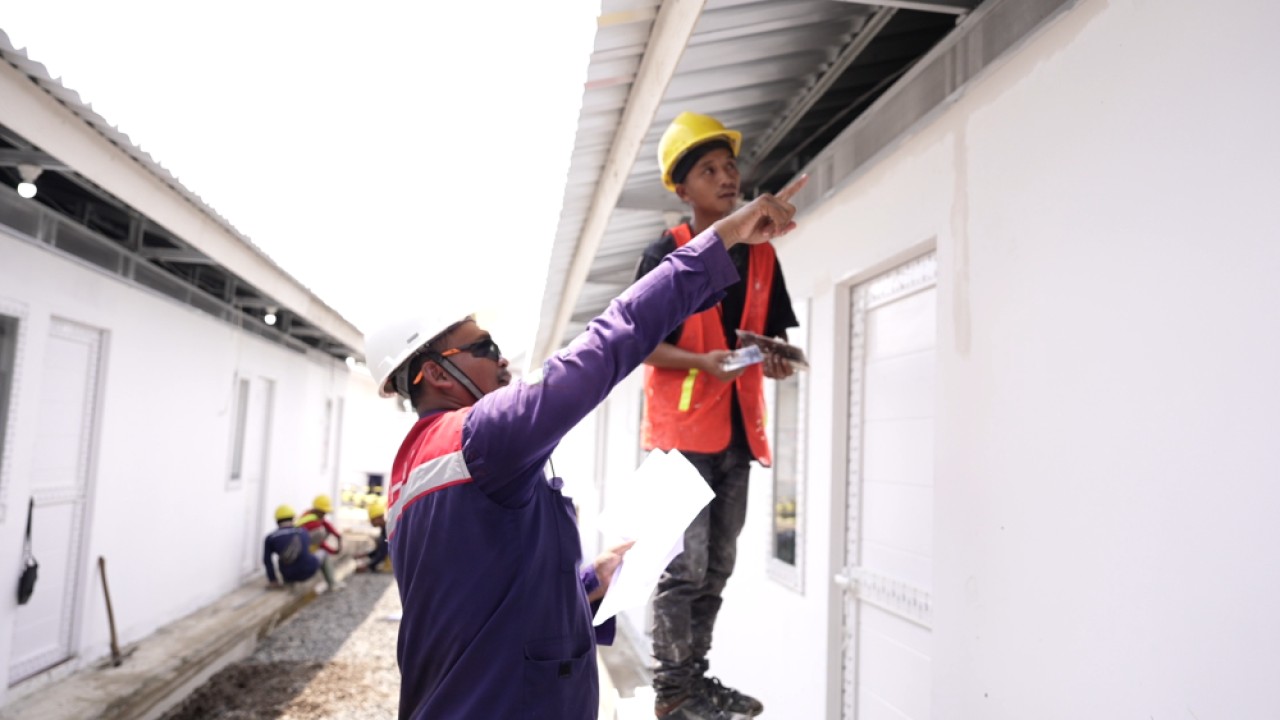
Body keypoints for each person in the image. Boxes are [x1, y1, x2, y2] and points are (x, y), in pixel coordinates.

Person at [364, 178, 804, 720]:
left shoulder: (413, 469)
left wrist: (589, 580)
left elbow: (487, 605)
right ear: (435, 372)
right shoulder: (479, 437)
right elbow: (612, 339)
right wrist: (725, 236)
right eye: (486, 347)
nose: (505, 361)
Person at [634, 112, 801, 720]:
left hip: (737, 433)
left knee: (717, 568)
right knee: (684, 568)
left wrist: (777, 361)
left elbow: (768, 337)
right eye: (709, 170)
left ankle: (695, 684)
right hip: (679, 438)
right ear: (683, 188)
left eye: (730, 166)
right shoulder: (665, 253)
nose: (727, 176)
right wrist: (703, 362)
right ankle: (672, 693)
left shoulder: (761, 258)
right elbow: (637, 342)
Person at [263, 504, 320, 587]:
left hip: (289, 575)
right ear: (293, 518)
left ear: (277, 521)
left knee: (282, 559)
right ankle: (332, 584)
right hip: (309, 570)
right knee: (323, 554)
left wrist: (272, 579)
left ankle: (288, 584)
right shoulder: (302, 531)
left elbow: (267, 561)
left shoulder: (271, 537)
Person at [297, 494, 344, 591]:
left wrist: (337, 535)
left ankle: (332, 583)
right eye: (324, 512)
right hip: (304, 555)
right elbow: (319, 542)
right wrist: (332, 551)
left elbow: (326, 524)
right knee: (324, 554)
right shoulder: (313, 524)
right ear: (318, 510)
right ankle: (332, 584)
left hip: (301, 550)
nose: (325, 515)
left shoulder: (308, 515)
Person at [357, 498, 389, 573]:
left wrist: (367, 566)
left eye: (372, 519)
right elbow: (380, 550)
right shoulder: (385, 529)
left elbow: (383, 553)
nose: (371, 522)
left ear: (379, 518)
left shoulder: (387, 531)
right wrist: (366, 555)